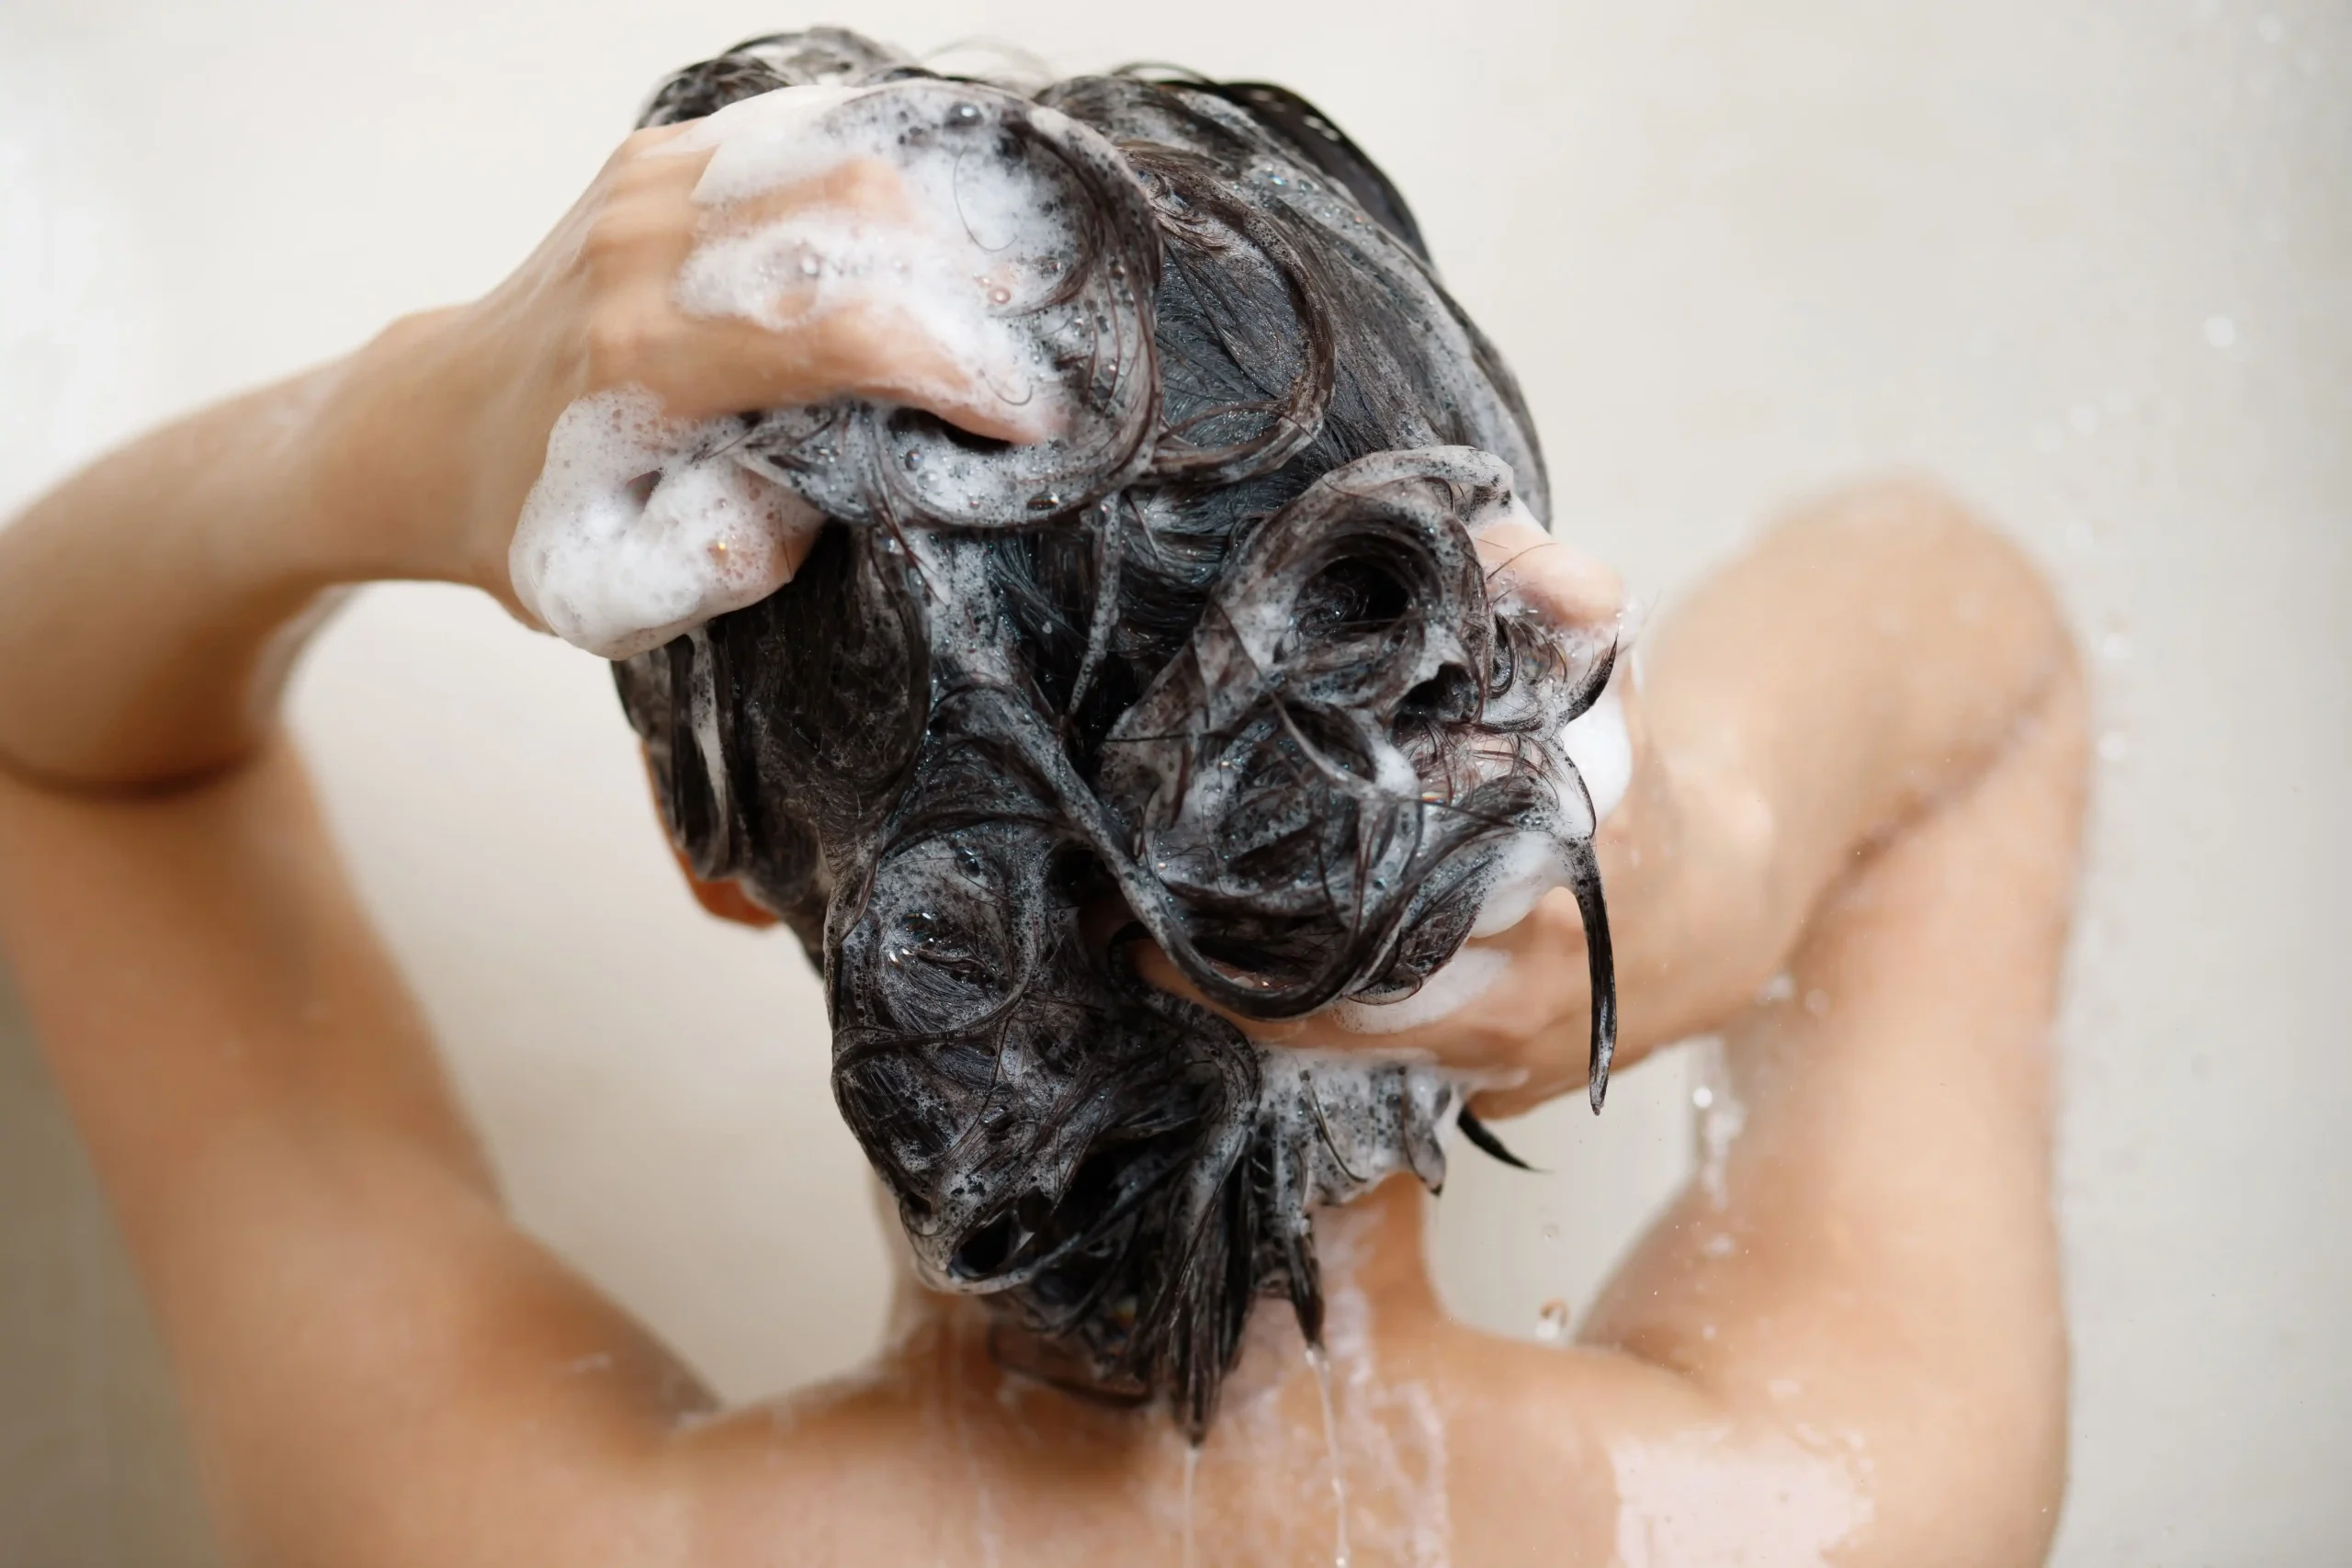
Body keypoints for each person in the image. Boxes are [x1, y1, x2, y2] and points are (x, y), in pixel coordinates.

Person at [0, 28, 2085, 1568]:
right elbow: (1982, 652)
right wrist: (1700, 849)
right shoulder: (1838, 1496)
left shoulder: (491, 1527)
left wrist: (416, 416)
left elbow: (55, 747)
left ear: (715, 856)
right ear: (1474, 760)